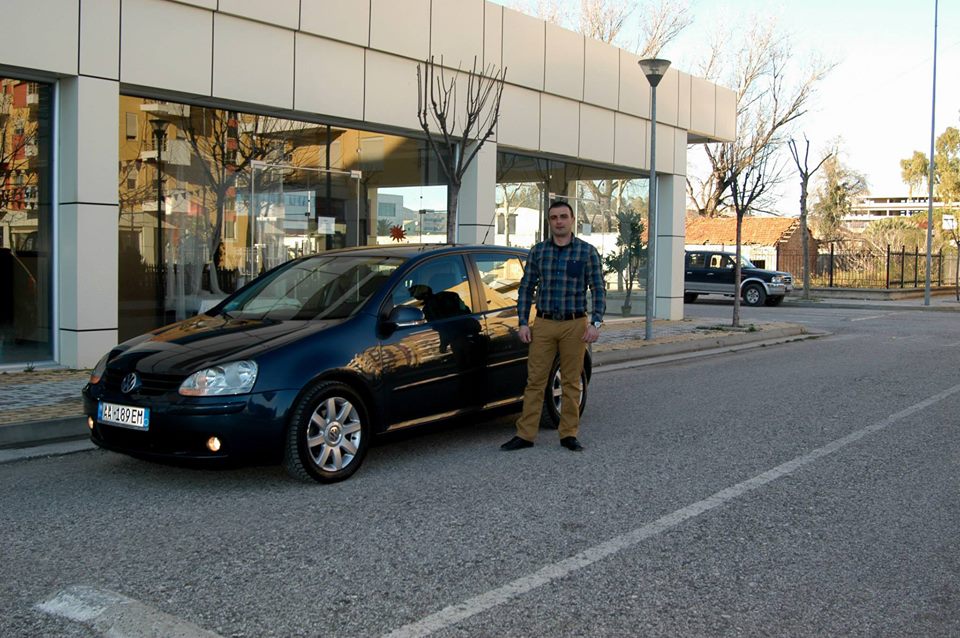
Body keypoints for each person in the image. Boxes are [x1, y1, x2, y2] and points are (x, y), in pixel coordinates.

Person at [501, 200, 605, 453]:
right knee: (535, 380)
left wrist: (596, 323)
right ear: (549, 222)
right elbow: (527, 288)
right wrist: (523, 322)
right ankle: (525, 434)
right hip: (544, 324)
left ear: (572, 220)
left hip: (575, 324)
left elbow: (598, 288)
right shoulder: (538, 252)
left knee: (571, 381)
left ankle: (568, 434)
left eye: (563, 217)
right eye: (554, 218)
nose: (558, 221)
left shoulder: (586, 252)